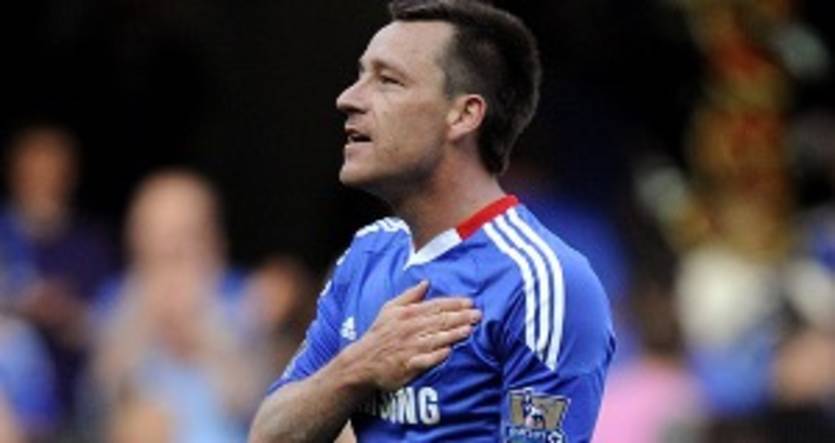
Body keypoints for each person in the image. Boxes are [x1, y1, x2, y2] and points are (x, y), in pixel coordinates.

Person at [249, 1, 615, 442]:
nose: (348, 98)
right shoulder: (367, 254)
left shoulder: (542, 282)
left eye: (388, 80)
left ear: (464, 115)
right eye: (361, 75)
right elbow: (268, 434)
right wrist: (357, 367)